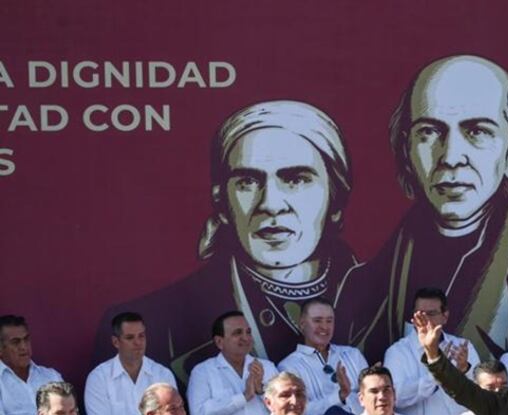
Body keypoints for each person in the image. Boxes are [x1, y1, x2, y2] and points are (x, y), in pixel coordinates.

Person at [95, 100, 368, 382]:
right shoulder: (160, 322)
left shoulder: (378, 302)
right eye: (248, 182)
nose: (271, 205)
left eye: (296, 179)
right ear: (222, 201)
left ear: (336, 198)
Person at [354, 56, 508, 360]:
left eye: (477, 131)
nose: (451, 157)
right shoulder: (370, 279)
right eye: (429, 132)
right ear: (406, 149)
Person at [383, 287, 480, 415]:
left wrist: (464, 370)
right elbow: (397, 398)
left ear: (445, 316)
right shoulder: (397, 352)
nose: (426, 320)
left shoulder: (463, 346)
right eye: (421, 314)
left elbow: (480, 393)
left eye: (432, 313)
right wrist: (439, 372)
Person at [187, 311, 278, 415]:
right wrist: (243, 397)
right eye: (237, 333)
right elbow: (199, 414)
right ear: (219, 341)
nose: (245, 337)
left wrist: (261, 391)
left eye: (248, 332)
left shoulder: (266, 367)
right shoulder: (203, 372)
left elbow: (285, 408)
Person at [84, 313, 176, 415]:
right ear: (115, 342)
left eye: (141, 336)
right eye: (130, 337)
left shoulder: (162, 374)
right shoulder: (98, 378)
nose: (138, 342)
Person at [277, 298, 368, 415]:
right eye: (317, 321)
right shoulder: (289, 367)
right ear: (302, 324)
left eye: (329, 321)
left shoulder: (352, 355)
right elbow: (299, 412)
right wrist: (339, 396)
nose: (324, 327)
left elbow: (371, 397)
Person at [0, 315, 64, 415]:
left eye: (26, 339)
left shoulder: (50, 376)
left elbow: (70, 413)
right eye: (16, 342)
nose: (24, 347)